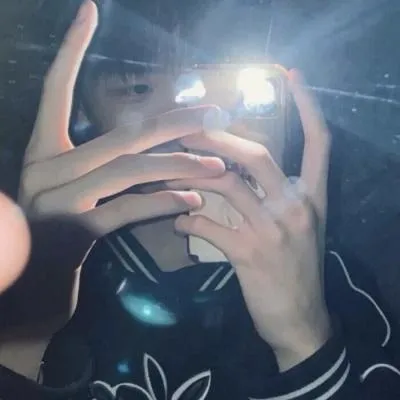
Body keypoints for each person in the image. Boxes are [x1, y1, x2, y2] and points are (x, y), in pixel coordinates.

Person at [1, 1, 400, 399]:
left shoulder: (326, 278)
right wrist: (23, 333)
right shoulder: (43, 263)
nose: (186, 120)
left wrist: (304, 336)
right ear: (82, 109)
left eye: (229, 86)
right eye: (139, 88)